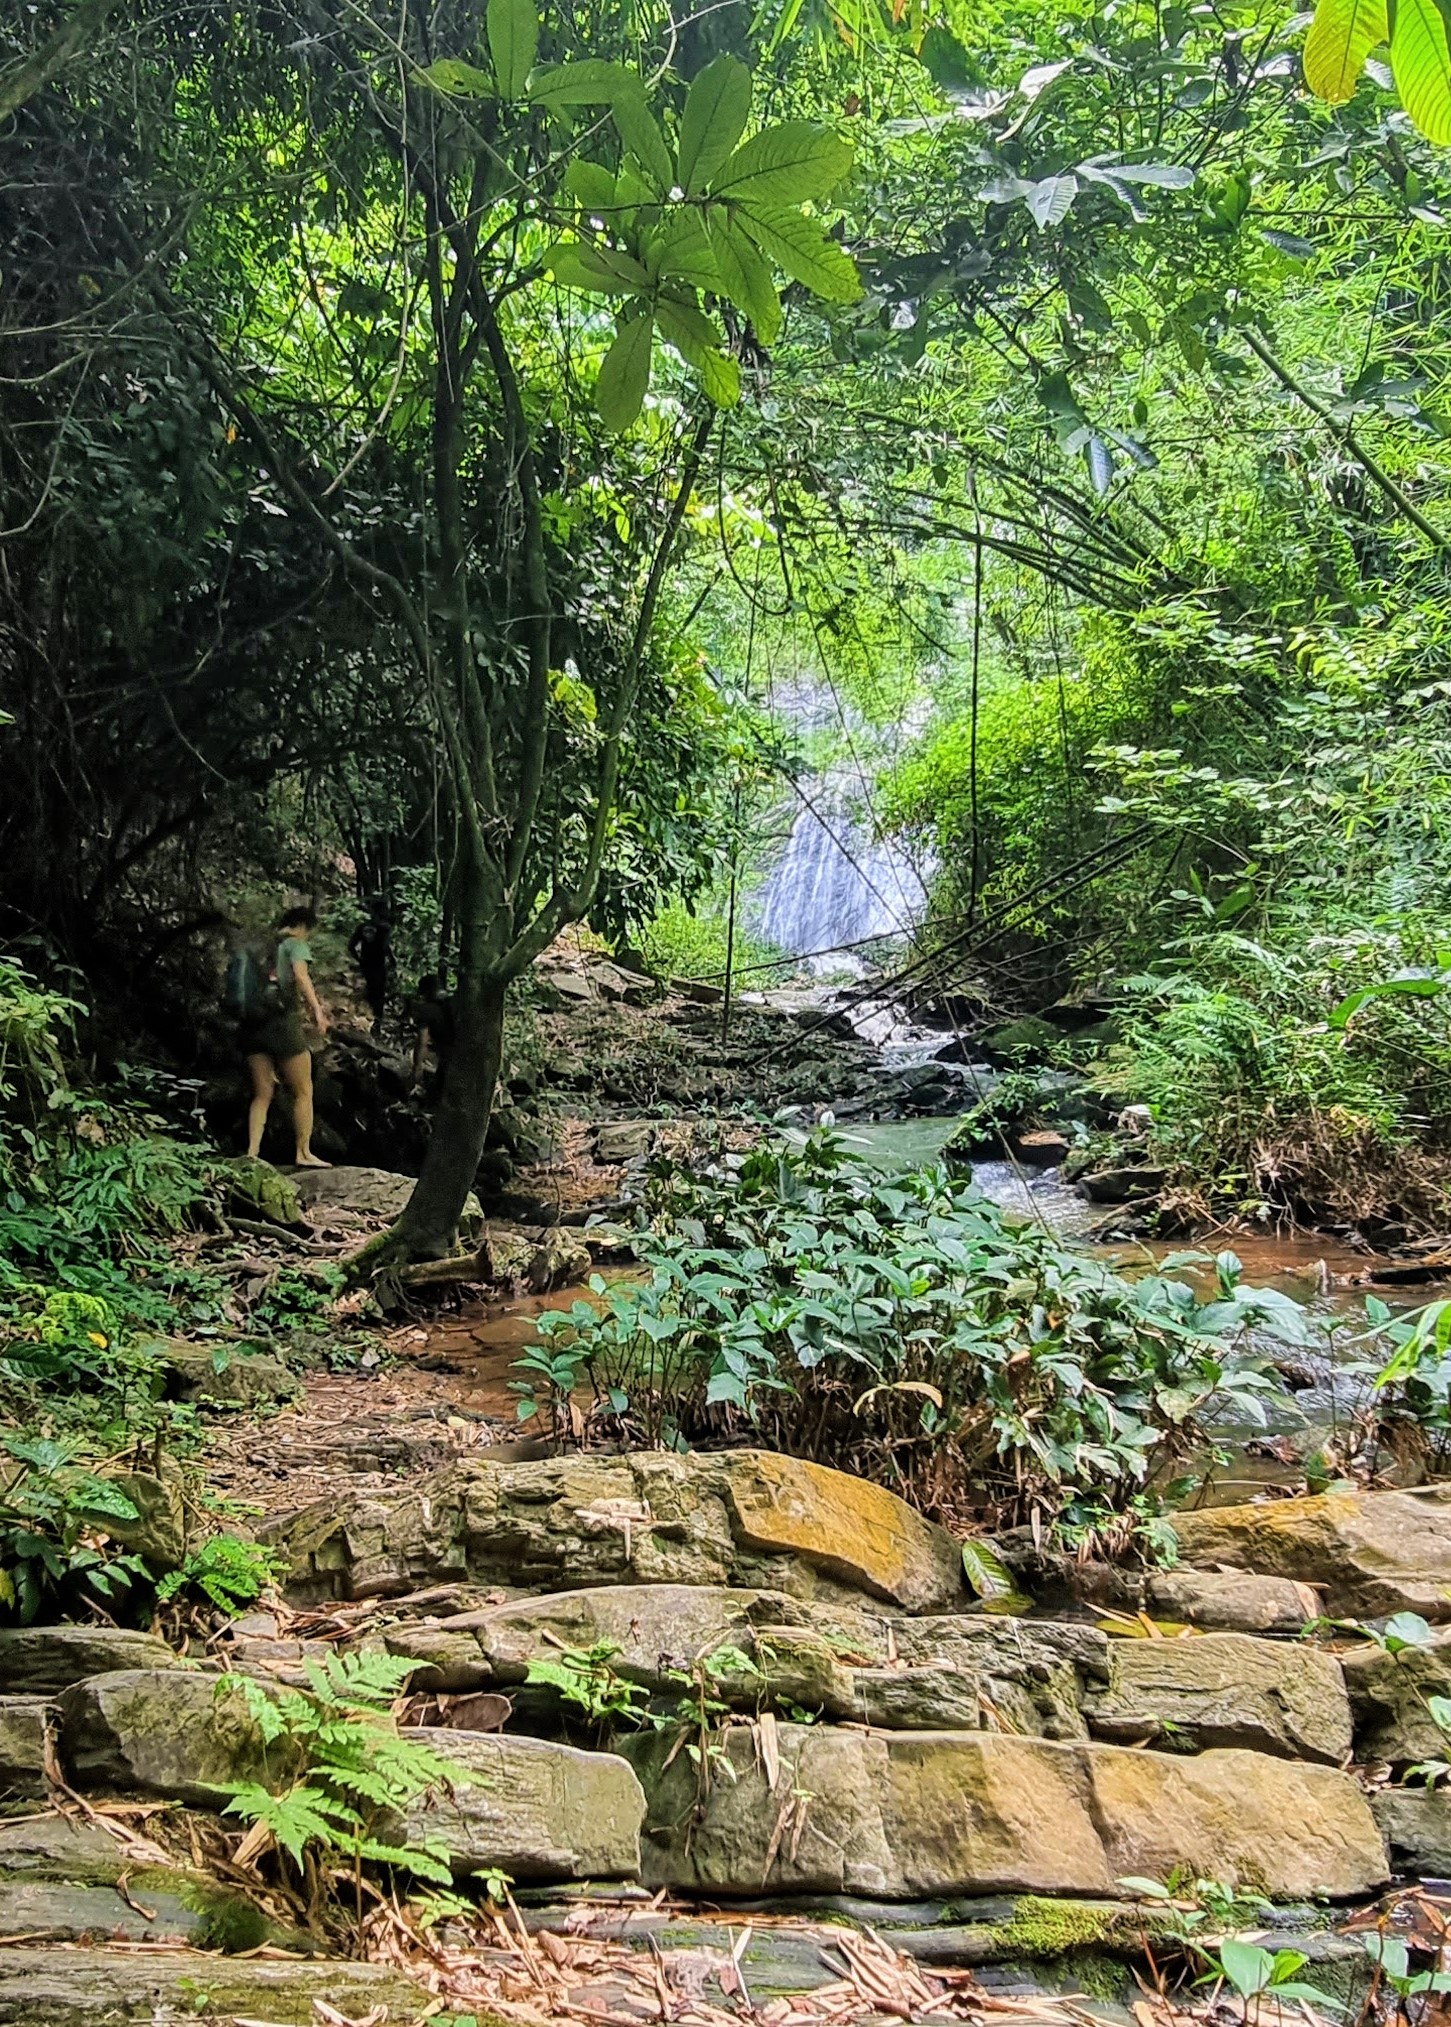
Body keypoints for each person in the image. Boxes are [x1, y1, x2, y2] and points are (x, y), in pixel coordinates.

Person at [241, 905, 330, 1167]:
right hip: (281, 1023)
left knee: (262, 1093)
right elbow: (301, 977)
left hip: (252, 1024)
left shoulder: (263, 946)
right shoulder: (294, 944)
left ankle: (252, 1154)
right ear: (303, 926)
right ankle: (303, 1152)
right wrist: (317, 1011)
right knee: (303, 1089)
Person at [348, 901, 392, 1035]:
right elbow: (385, 947)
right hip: (378, 964)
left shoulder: (363, 927)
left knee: (373, 991)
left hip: (367, 963)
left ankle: (372, 1020)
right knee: (379, 993)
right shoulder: (384, 928)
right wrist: (391, 960)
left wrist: (359, 960)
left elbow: (351, 946)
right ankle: (376, 1022)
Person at [409, 972, 454, 1100]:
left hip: (450, 1054)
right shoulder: (452, 1003)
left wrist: (417, 1066)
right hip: (465, 1051)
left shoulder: (426, 1011)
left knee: (439, 1092)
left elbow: (422, 1041)